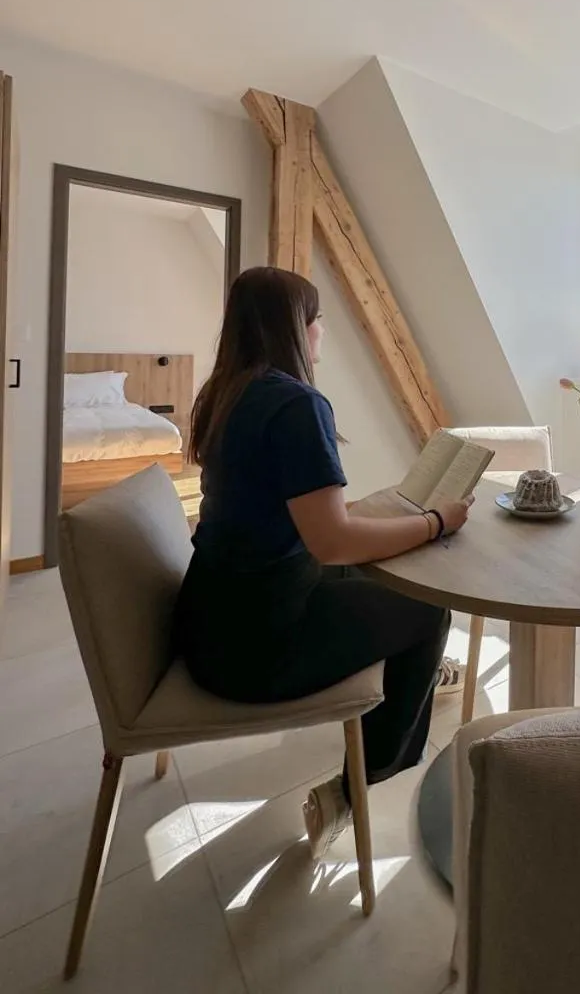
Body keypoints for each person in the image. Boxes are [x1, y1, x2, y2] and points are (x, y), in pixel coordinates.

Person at [173, 266, 472, 859]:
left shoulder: (225, 393)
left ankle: (417, 671)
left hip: (207, 623)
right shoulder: (297, 403)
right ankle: (356, 786)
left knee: (378, 572)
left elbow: (293, 515)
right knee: (430, 606)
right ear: (297, 328)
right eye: (317, 320)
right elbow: (332, 543)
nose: (321, 333)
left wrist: (376, 519)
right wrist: (437, 521)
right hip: (257, 651)